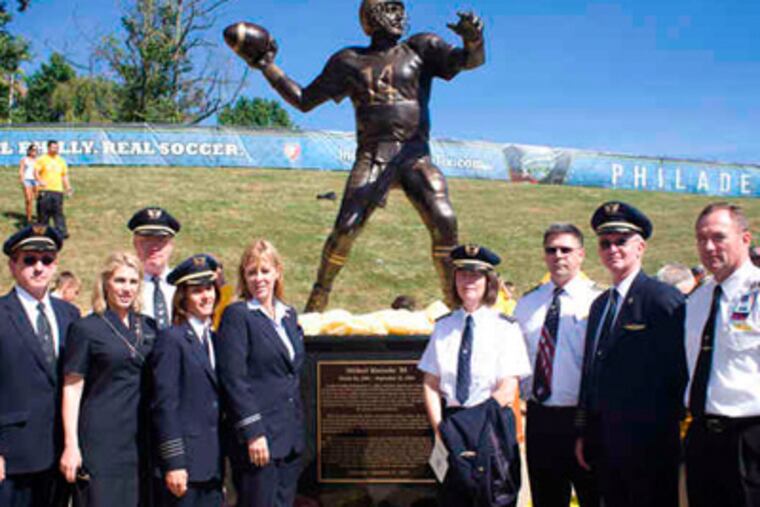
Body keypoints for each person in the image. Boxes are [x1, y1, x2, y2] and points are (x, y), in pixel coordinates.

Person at [228, 0, 485, 312]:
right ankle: (319, 296)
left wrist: (474, 39)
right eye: (389, 8)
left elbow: (470, 61)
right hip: (373, 154)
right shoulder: (349, 61)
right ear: (369, 17)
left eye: (399, 9)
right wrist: (267, 66)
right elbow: (304, 99)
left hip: (414, 154)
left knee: (445, 219)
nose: (398, 15)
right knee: (346, 228)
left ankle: (455, 303)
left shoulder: (419, 48)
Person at [575, 201, 687, 507]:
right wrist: (584, 431)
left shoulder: (662, 298)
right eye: (605, 243)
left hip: (648, 444)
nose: (613, 249)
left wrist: (661, 428)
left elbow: (679, 370)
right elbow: (592, 373)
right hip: (605, 442)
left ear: (640, 247)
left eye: (621, 241)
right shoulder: (600, 305)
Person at [419, 244, 531, 506]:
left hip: (490, 427)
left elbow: (507, 387)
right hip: (451, 426)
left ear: (488, 281)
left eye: (476, 275)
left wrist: (472, 428)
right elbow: (431, 383)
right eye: (462, 274)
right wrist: (441, 430)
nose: (468, 281)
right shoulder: (443, 327)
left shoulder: (505, 328)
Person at [59, 252, 157, 507]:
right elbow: (72, 387)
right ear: (106, 283)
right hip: (101, 440)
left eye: (133, 282)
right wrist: (71, 445)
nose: (126, 288)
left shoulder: (150, 327)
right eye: (120, 281)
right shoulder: (87, 329)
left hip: (140, 440)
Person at [514, 224, 600, 507]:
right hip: (540, 418)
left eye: (566, 249)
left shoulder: (599, 300)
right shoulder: (527, 304)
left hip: (583, 418)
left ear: (581, 255)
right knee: (546, 499)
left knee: (593, 496)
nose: (558, 256)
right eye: (551, 250)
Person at [216, 240, 305, 507]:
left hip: (289, 439)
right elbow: (234, 379)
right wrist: (254, 432)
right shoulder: (237, 315)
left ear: (277, 272)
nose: (259, 279)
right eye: (251, 272)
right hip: (259, 441)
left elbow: (291, 375)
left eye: (265, 271)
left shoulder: (289, 315)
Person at [684, 203, 760, 507]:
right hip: (702, 436)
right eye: (701, 239)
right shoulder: (697, 299)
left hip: (750, 438)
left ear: (745, 238)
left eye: (718, 237)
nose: (709, 247)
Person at [0, 224, 80, 507]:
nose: (38, 267)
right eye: (29, 260)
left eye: (46, 260)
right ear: (13, 265)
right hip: (12, 456)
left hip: (60, 453)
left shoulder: (69, 314)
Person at [151, 254, 223, 506]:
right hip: (184, 468)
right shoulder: (172, 339)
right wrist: (174, 462)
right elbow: (164, 405)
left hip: (212, 465)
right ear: (183, 298)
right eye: (197, 291)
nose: (206, 296)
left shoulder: (215, 339)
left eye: (209, 288)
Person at [128, 206, 181, 330]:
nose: (154, 247)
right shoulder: (123, 285)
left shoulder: (183, 285)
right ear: (135, 243)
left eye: (161, 240)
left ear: (171, 245)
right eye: (146, 240)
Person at [35, 140, 72, 239]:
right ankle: (42, 232)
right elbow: (36, 173)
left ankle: (61, 232)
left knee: (58, 213)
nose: (55, 149)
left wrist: (68, 187)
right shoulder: (42, 159)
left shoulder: (61, 161)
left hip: (57, 190)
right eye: (53, 147)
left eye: (57, 148)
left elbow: (64, 176)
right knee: (43, 213)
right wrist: (40, 181)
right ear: (48, 148)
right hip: (45, 190)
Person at [19, 144, 39, 224]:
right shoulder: (24, 159)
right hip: (27, 180)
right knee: (28, 199)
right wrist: (22, 179)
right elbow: (21, 170)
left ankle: (40, 217)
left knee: (39, 199)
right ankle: (29, 218)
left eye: (36, 150)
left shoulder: (39, 160)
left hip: (36, 180)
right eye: (33, 150)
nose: (34, 152)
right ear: (29, 151)